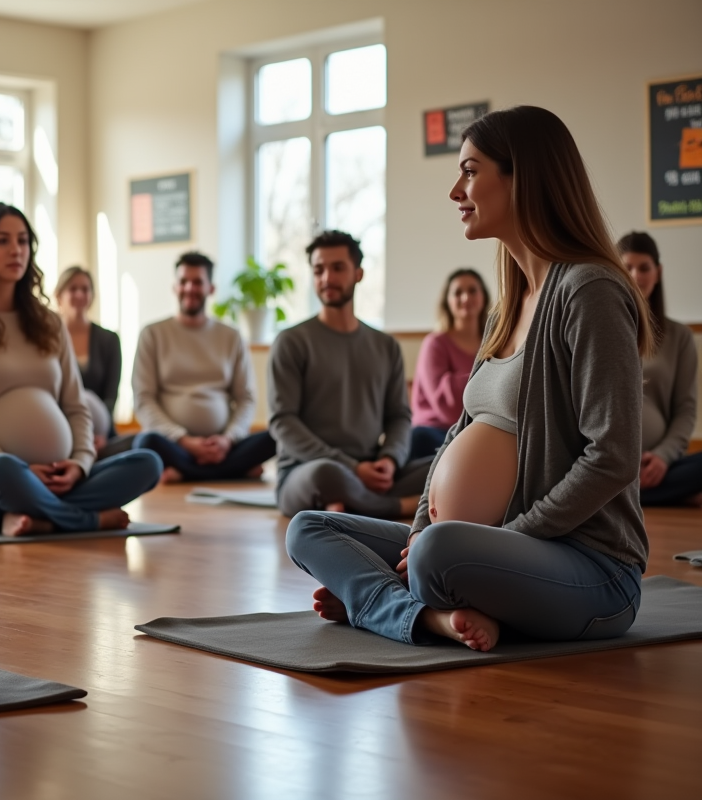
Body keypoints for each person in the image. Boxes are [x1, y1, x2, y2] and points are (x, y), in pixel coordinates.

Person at [286, 106, 652, 653]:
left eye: (471, 171)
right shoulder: (508, 306)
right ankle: (426, 615)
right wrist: (417, 534)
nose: (456, 190)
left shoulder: (589, 291)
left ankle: (385, 600)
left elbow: (614, 454)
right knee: (310, 529)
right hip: (479, 549)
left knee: (439, 556)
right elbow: (457, 435)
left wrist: (495, 541)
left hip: (589, 568)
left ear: (521, 177)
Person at [0, 202, 162, 536]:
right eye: (2, 241)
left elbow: (76, 407)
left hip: (58, 481)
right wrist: (21, 470)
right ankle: (85, 520)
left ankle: (41, 517)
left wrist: (79, 464)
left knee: (147, 462)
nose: (16, 250)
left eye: (23, 241)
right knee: (1, 469)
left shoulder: (49, 323)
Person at [269, 230, 432, 519]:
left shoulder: (386, 346)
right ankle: (399, 507)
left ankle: (350, 505)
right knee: (327, 475)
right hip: (307, 471)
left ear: (358, 274)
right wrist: (352, 468)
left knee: (445, 464)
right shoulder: (291, 341)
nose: (326, 278)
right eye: (318, 269)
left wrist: (390, 460)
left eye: (337, 268)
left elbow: (399, 417)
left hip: (372, 469)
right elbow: (283, 422)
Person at [131, 251, 275, 483]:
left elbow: (246, 399)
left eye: (197, 282)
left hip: (224, 446)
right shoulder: (152, 334)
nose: (190, 288)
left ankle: (186, 473)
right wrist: (184, 440)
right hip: (175, 445)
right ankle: (232, 471)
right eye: (184, 282)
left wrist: (228, 439)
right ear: (174, 287)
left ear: (211, 289)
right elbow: (143, 399)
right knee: (145, 443)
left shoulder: (231, 336)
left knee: (274, 436)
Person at [619, 231, 701, 507]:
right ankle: (671, 494)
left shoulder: (679, 337)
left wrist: (664, 457)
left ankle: (629, 496)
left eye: (644, 268)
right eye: (627, 267)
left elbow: (686, 410)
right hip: (607, 463)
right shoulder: (602, 330)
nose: (636, 275)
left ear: (658, 271)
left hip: (659, 465)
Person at [409, 268, 491, 459]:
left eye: (472, 291)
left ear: (484, 297)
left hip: (480, 431)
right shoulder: (435, 344)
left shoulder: (495, 342)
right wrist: (489, 376)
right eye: (457, 292)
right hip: (435, 431)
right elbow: (446, 407)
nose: (465, 298)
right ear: (448, 301)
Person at [53, 265, 132, 458]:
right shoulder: (47, 339)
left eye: (85, 289)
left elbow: (111, 395)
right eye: (73, 289)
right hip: (59, 429)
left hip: (100, 431)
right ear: (59, 295)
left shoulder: (109, 339)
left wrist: (99, 435)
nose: (79, 294)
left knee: (145, 446)